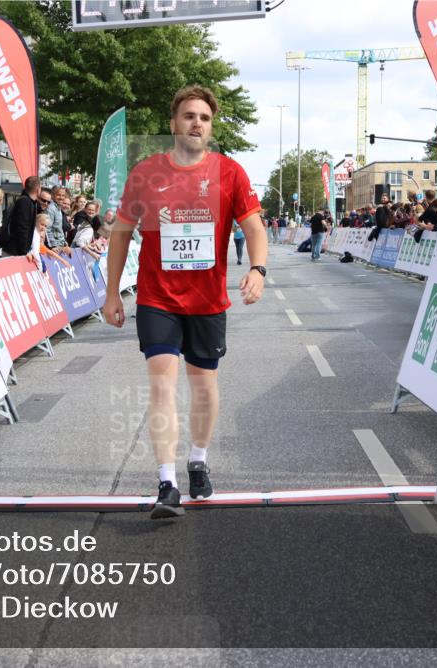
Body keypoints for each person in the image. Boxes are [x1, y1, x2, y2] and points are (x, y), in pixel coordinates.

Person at [102, 85, 266, 519]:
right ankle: (166, 482)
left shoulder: (230, 172)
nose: (197, 123)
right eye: (189, 115)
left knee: (204, 388)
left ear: (211, 128)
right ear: (173, 122)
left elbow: (253, 228)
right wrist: (112, 292)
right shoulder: (146, 172)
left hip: (208, 300)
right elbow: (120, 232)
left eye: (205, 118)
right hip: (158, 298)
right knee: (161, 384)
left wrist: (257, 268)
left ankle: (197, 459)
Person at [0, 176, 41, 257]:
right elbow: (22, 228)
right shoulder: (25, 202)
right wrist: (24, 252)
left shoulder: (29, 202)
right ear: (38, 189)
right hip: (14, 252)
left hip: (16, 251)